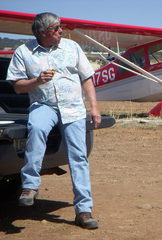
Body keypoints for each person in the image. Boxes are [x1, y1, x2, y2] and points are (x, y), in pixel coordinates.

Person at [6, 12, 101, 230]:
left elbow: (87, 77)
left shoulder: (72, 47)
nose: (61, 30)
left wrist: (94, 107)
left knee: (78, 156)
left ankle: (84, 211)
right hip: (44, 106)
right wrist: (37, 80)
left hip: (73, 107)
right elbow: (18, 86)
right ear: (44, 32)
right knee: (37, 128)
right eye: (57, 28)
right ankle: (30, 186)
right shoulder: (24, 52)